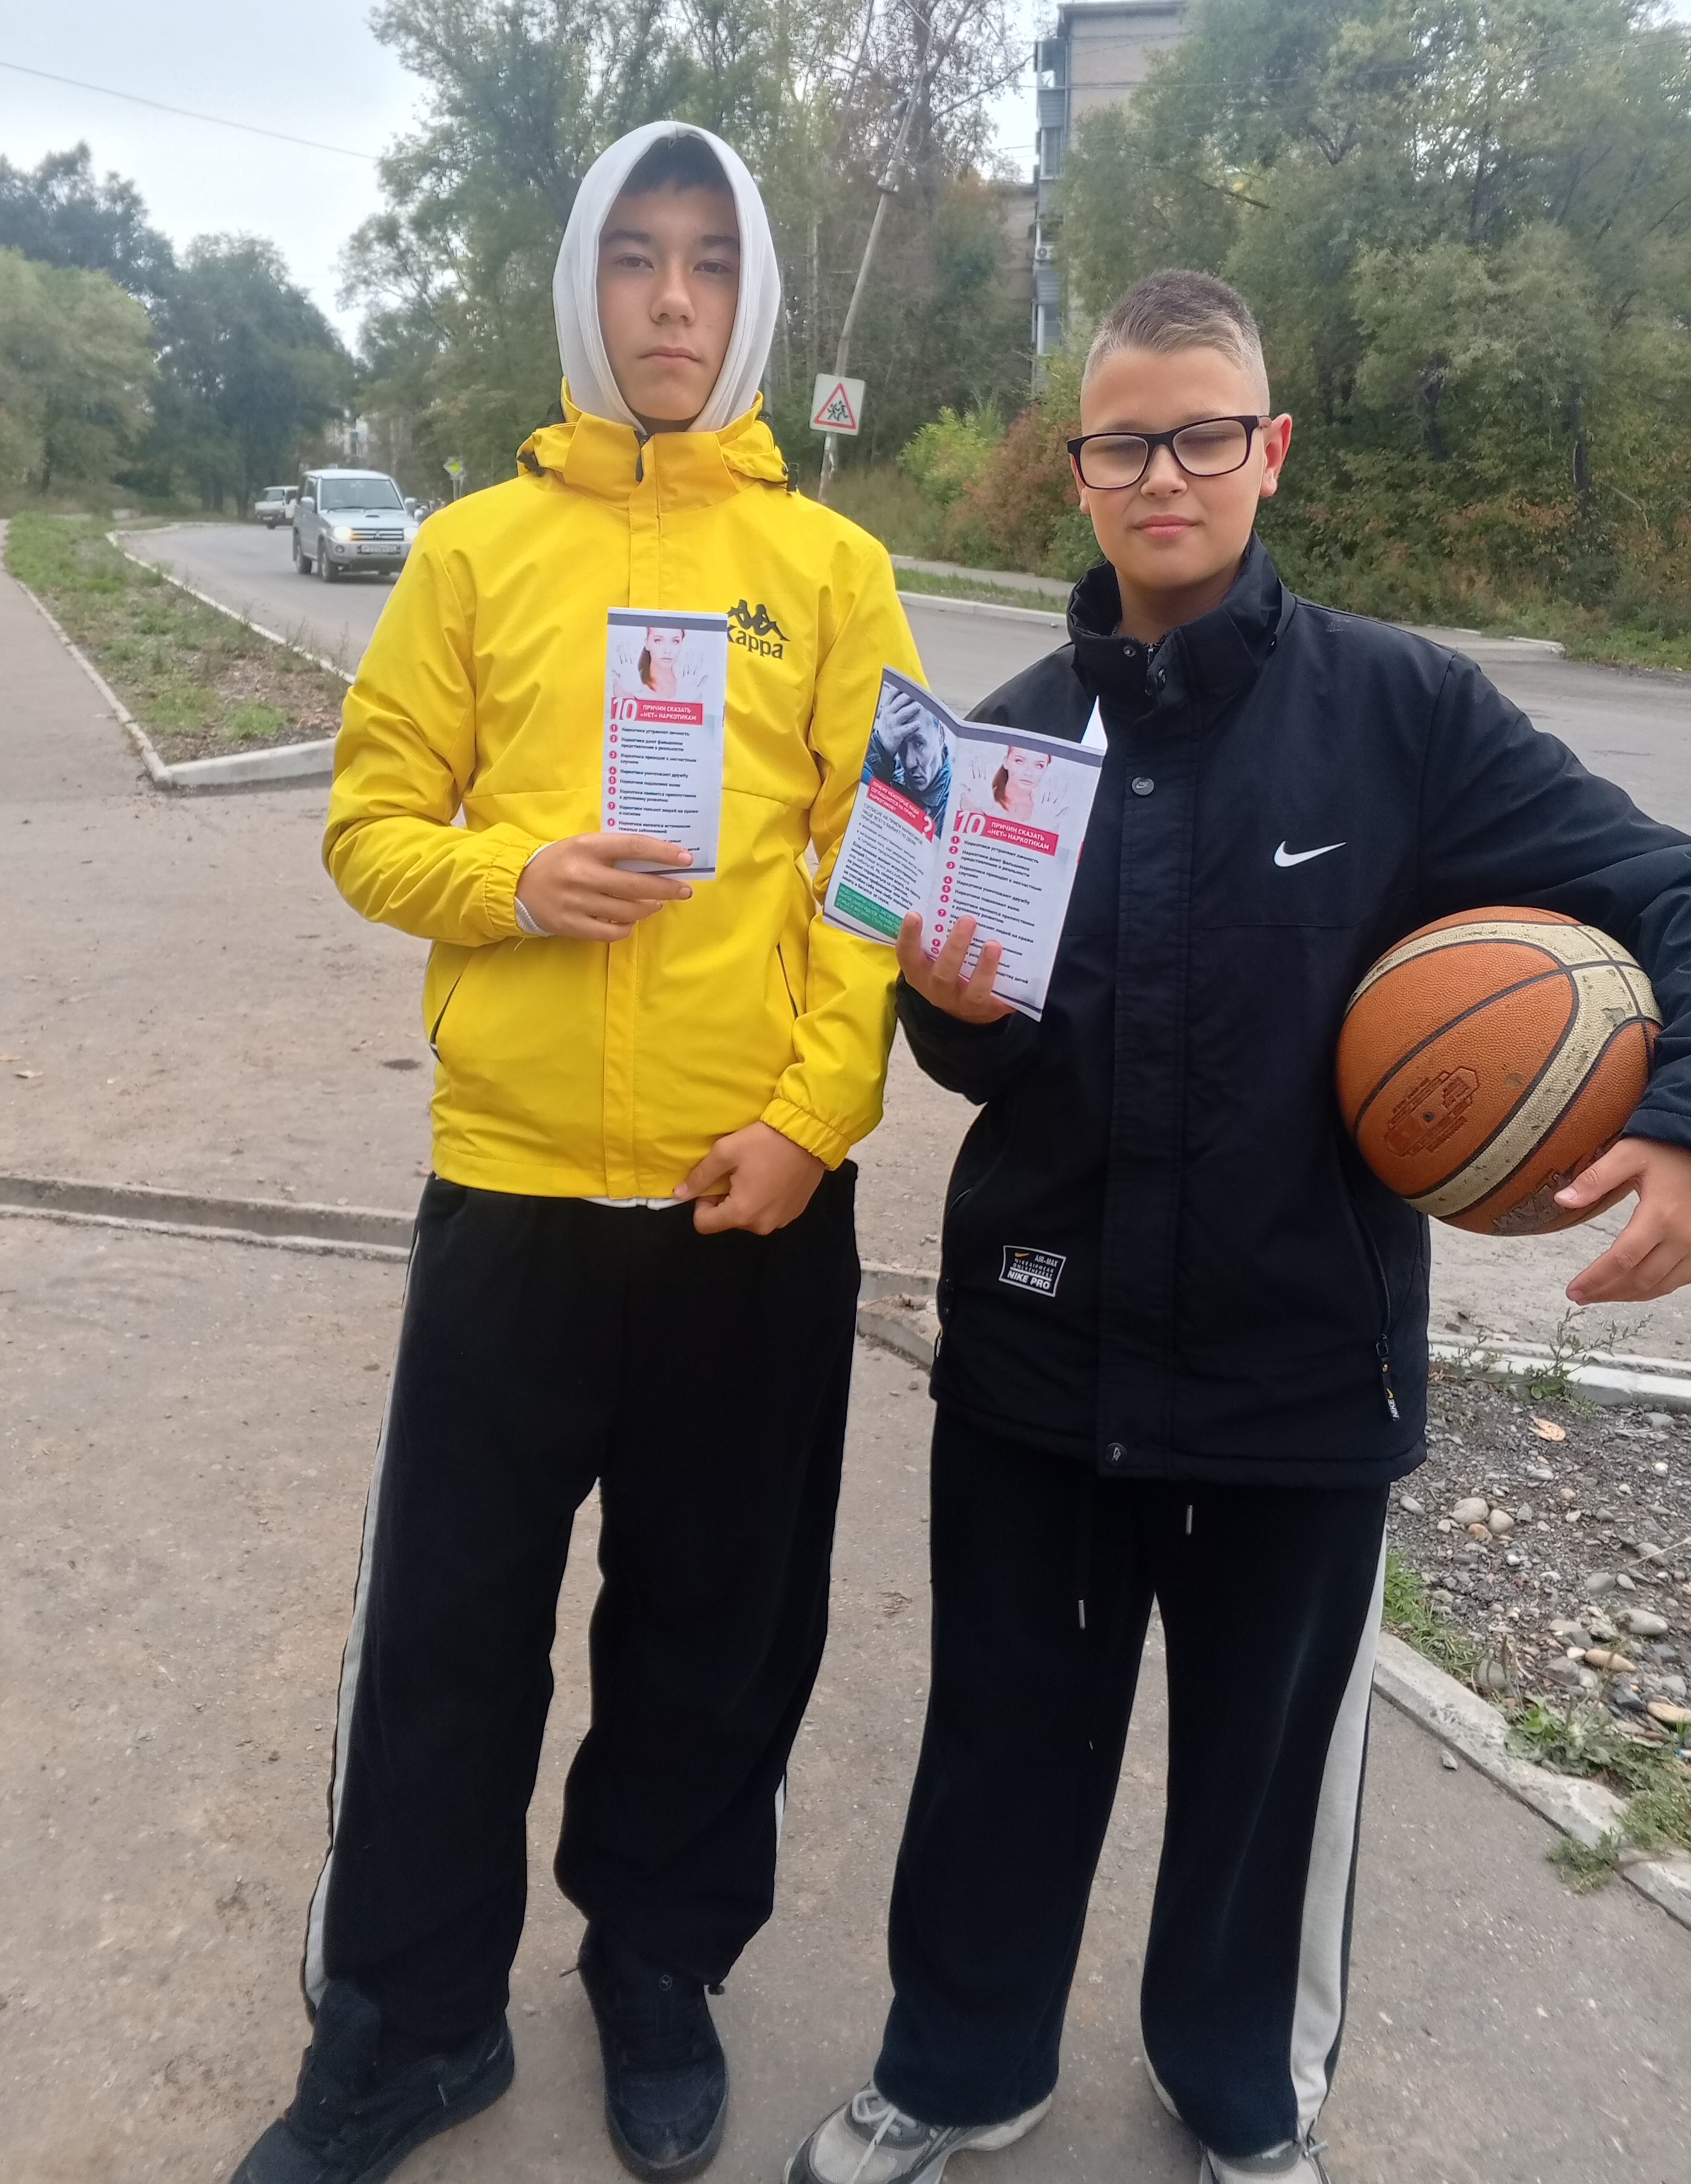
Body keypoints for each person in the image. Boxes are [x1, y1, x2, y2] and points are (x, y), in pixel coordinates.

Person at [787, 269, 1691, 2184]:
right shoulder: (1003, 744)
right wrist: (952, 1007)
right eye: (1124, 442)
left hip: (1298, 1373)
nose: (1163, 473)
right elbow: (979, 1062)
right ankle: (956, 2065)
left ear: (1267, 451)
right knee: (1001, 1741)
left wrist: (1674, 1122)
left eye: (1203, 435)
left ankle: (1242, 2098)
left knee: (1263, 1783)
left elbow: (1664, 890)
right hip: (1038, 1355)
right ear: (1080, 472)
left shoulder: (1404, 715)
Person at [231, 121, 921, 2184]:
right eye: (634, 256)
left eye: (708, 260)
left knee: (716, 1625)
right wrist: (512, 879)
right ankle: (408, 2025)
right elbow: (368, 824)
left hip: (746, 1205)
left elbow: (880, 872)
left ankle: (653, 1963)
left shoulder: (830, 572)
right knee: (446, 1632)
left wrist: (811, 1118)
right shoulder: (469, 554)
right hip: (514, 1190)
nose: (672, 299)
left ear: (754, 295)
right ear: (579, 284)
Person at [865, 687, 952, 830]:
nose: (909, 762)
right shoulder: (890, 769)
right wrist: (881, 747)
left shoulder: (958, 802)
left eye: (919, 744)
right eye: (902, 745)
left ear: (941, 735)